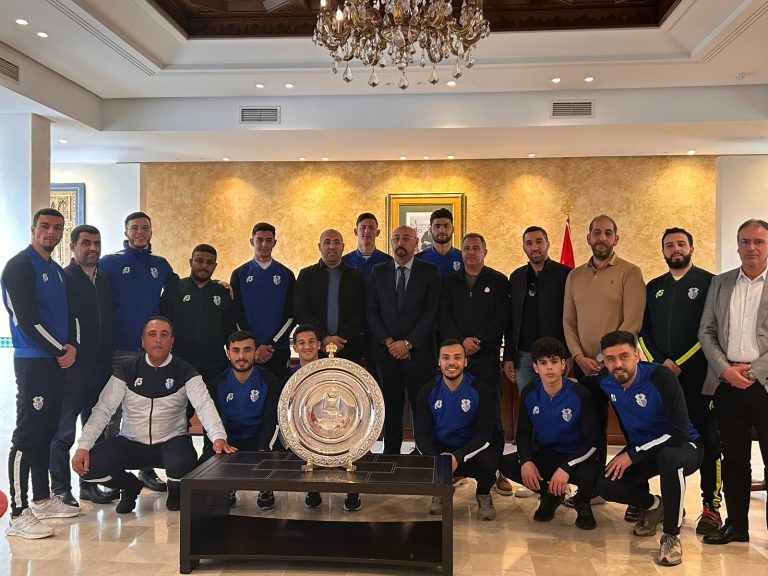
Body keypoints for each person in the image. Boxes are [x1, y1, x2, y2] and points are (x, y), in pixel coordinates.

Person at [71, 317, 236, 514]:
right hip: (130, 442)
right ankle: (130, 486)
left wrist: (218, 437)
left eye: (164, 335)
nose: (158, 339)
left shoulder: (185, 370)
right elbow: (103, 409)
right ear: (143, 341)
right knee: (88, 467)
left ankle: (175, 490)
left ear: (172, 341)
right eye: (152, 334)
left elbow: (204, 405)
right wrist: (83, 446)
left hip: (171, 442)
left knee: (184, 464)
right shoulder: (127, 369)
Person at [2, 208, 81, 539]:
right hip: (34, 362)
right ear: (33, 228)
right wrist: (60, 350)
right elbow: (26, 321)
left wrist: (73, 345)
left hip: (56, 361)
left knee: (48, 432)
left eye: (57, 227)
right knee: (28, 435)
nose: (51, 232)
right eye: (45, 226)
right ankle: (18, 513)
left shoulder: (56, 270)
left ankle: (42, 499)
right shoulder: (20, 266)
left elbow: (69, 314)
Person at [639, 227, 721, 534]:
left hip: (699, 376)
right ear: (662, 251)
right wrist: (661, 362)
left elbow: (710, 330)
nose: (676, 248)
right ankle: (658, 502)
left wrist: (681, 363)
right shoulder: (653, 287)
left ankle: (711, 506)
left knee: (708, 438)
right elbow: (642, 332)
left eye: (681, 244)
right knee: (659, 438)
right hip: (661, 377)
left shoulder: (710, 282)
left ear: (691, 248)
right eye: (669, 245)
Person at [595, 331, 703, 567]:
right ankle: (656, 506)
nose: (618, 364)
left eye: (624, 356)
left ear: (637, 355)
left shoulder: (660, 376)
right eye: (610, 359)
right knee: (605, 484)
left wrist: (633, 454)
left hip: (683, 446)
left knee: (669, 458)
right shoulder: (605, 380)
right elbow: (581, 389)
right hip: (644, 450)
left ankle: (671, 536)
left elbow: (678, 432)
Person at [562, 214, 645, 513]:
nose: (602, 237)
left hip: (619, 370)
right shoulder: (574, 276)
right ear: (588, 238)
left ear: (616, 239)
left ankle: (638, 497)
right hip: (584, 368)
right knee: (591, 431)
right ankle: (591, 489)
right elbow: (568, 322)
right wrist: (578, 357)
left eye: (608, 233)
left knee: (632, 430)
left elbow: (632, 323)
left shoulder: (630, 272)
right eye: (596, 232)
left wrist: (604, 359)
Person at [698, 218, 768, 546]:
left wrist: (753, 372)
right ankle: (737, 526)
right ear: (737, 246)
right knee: (734, 459)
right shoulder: (721, 283)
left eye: (759, 241)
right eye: (745, 241)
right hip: (727, 385)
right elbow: (706, 331)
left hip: (764, 384)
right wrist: (725, 370)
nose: (751, 247)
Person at [99, 211, 180, 492]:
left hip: (151, 351)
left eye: (145, 228)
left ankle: (146, 470)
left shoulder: (160, 264)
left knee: (148, 411)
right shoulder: (109, 263)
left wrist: (219, 285)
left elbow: (182, 289)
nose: (140, 232)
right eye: (134, 228)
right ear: (126, 232)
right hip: (120, 347)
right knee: (114, 414)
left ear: (151, 232)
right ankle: (114, 474)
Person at [439, 233, 513, 495]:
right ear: (461, 253)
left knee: (492, 415)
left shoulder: (498, 281)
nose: (470, 253)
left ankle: (498, 471)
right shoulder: (449, 283)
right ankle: (460, 466)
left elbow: (501, 319)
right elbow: (444, 318)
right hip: (457, 361)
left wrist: (477, 341)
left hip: (486, 358)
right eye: (466, 248)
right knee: (458, 413)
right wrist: (461, 344)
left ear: (485, 252)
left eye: (476, 248)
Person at [49, 225, 118, 507]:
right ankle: (60, 489)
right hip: (73, 369)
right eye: (86, 243)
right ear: (73, 247)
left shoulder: (104, 278)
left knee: (95, 428)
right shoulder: (63, 278)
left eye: (96, 243)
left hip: (101, 366)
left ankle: (89, 484)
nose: (93, 248)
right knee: (63, 431)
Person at [500, 337, 601, 529]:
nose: (549, 368)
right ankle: (550, 495)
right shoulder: (530, 392)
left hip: (575, 457)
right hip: (546, 454)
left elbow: (593, 441)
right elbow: (523, 433)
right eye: (543, 363)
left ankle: (582, 502)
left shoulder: (580, 393)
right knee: (506, 463)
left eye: (554, 361)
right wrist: (526, 461)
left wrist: (567, 467)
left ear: (563, 365)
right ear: (535, 367)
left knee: (592, 472)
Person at [367, 225, 441, 454]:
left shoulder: (430, 271)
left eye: (407, 238)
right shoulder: (378, 271)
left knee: (421, 407)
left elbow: (431, 311)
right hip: (386, 354)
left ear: (416, 243)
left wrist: (408, 343)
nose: (401, 243)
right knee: (391, 407)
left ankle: (423, 452)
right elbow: (371, 310)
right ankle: (391, 453)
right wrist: (389, 343)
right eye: (396, 238)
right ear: (391, 242)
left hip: (419, 354)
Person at [414, 339, 498, 520]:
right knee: (416, 460)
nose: (451, 362)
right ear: (439, 362)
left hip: (469, 450)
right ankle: (439, 490)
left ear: (465, 361)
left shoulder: (480, 390)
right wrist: (438, 460)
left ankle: (483, 493)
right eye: (446, 358)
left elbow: (484, 435)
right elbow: (421, 434)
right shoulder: (427, 391)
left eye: (457, 357)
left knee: (490, 461)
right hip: (441, 450)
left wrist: (458, 456)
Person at [283, 324, 362, 512]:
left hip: (340, 426)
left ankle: (352, 493)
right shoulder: (289, 380)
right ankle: (313, 492)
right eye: (301, 343)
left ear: (319, 344)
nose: (307, 346)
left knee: (355, 445)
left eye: (311, 341)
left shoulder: (336, 371)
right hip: (305, 432)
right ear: (295, 347)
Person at [201, 330, 280, 510]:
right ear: (228, 353)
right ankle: (227, 486)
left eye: (247, 350)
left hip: (258, 438)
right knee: (200, 468)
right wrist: (218, 443)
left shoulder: (270, 381)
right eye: (235, 350)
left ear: (256, 352)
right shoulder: (217, 383)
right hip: (229, 439)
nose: (241, 356)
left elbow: (272, 421)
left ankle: (265, 487)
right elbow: (211, 419)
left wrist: (264, 448)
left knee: (271, 453)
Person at [503, 226, 571, 396]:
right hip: (524, 357)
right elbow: (511, 320)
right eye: (529, 243)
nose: (534, 247)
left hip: (556, 356)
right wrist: (509, 356)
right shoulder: (516, 277)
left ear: (547, 244)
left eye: (539, 242)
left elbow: (573, 318)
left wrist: (570, 355)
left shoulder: (566, 275)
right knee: (529, 404)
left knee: (558, 403)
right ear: (524, 247)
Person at [160, 243, 236, 389]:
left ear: (215, 266)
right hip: (179, 364)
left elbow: (230, 329)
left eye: (209, 262)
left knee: (211, 403)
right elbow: (163, 325)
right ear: (190, 262)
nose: (204, 266)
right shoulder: (174, 290)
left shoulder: (223, 292)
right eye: (199, 261)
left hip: (215, 366)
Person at [231, 222, 295, 379]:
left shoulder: (286, 274)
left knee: (278, 391)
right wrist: (254, 345)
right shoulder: (239, 274)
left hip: (277, 350)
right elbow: (236, 314)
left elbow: (291, 315)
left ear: (275, 242)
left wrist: (271, 345)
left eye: (268, 240)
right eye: (259, 240)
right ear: (252, 241)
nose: (264, 244)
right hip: (248, 351)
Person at [294, 229, 366, 363]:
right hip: (315, 347)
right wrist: (322, 337)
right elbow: (300, 311)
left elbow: (361, 311)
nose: (332, 246)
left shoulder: (356, 276)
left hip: (349, 346)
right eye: (327, 242)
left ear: (343, 247)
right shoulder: (306, 275)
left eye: (336, 242)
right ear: (319, 246)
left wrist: (341, 338)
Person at [341, 213, 393, 281]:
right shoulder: (344, 262)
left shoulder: (388, 261)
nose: (367, 231)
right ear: (356, 232)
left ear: (377, 232)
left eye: (371, 228)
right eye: (363, 227)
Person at [415, 208, 463, 278]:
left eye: (446, 226)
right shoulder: (419, 259)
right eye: (437, 226)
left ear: (453, 229)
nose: (442, 230)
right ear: (430, 230)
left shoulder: (463, 257)